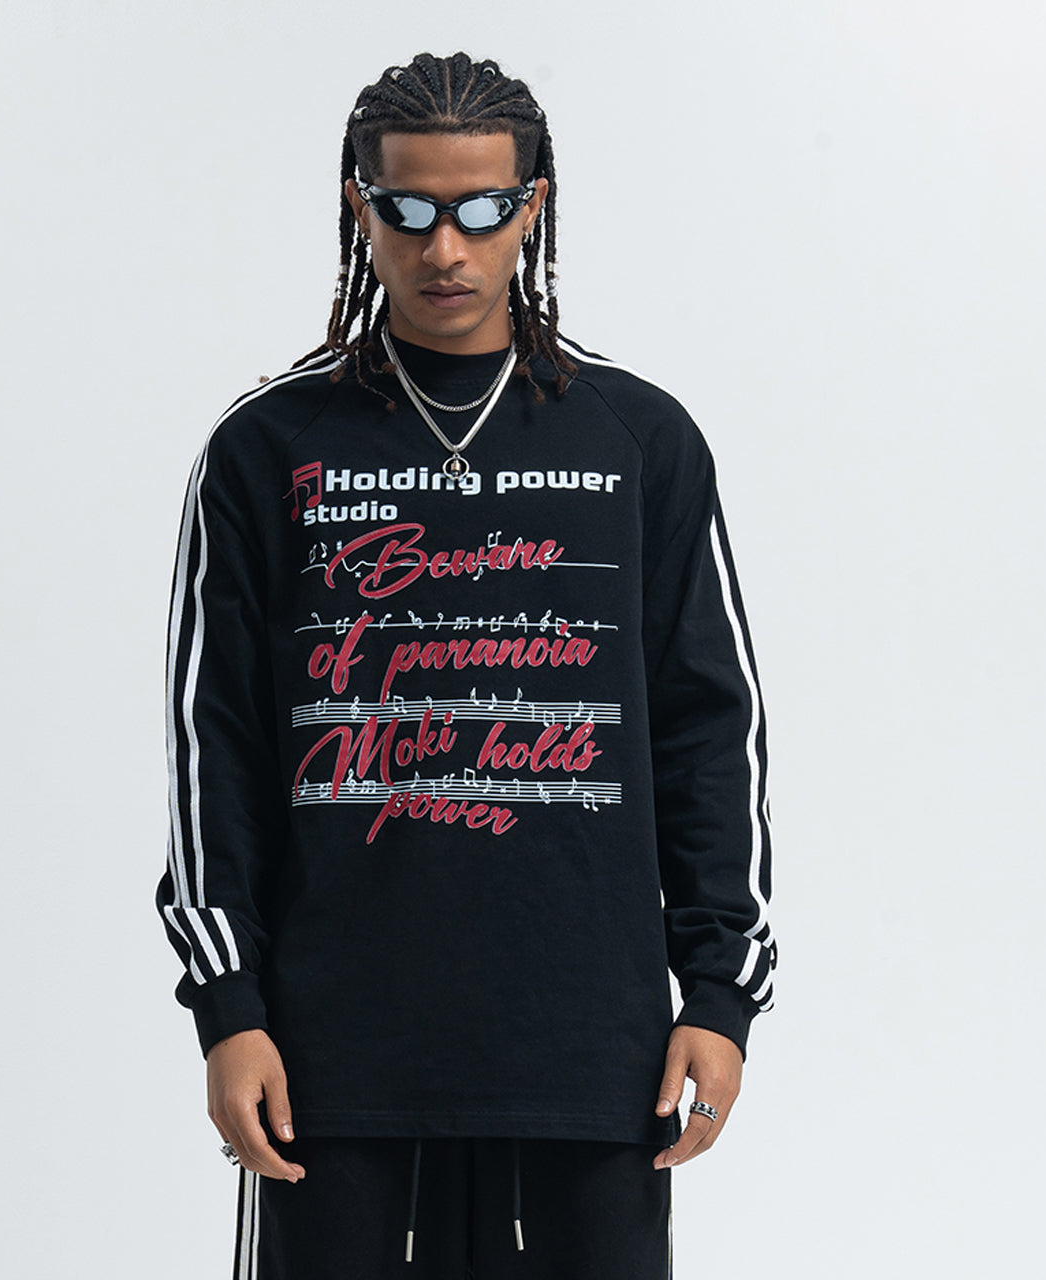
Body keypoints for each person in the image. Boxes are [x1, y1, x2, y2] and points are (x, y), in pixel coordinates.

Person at [156, 50, 775, 1280]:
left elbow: (710, 727)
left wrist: (717, 991)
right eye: (410, 208)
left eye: (483, 209)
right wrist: (228, 1006)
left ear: (531, 207)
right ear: (360, 206)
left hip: (587, 1048)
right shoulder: (265, 446)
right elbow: (210, 742)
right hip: (330, 1053)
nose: (446, 248)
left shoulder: (638, 439)